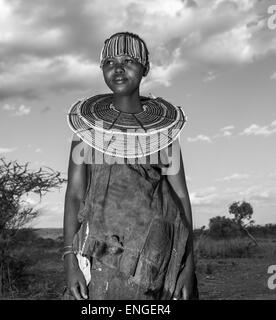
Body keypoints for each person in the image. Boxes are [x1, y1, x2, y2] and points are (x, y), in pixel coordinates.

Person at [63, 32, 198, 300]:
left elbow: (181, 197)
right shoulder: (86, 133)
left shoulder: (163, 136)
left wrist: (188, 264)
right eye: (110, 61)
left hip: (156, 262)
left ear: (145, 68)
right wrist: (69, 261)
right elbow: (75, 196)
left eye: (129, 60)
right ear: (102, 68)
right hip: (98, 258)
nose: (119, 68)